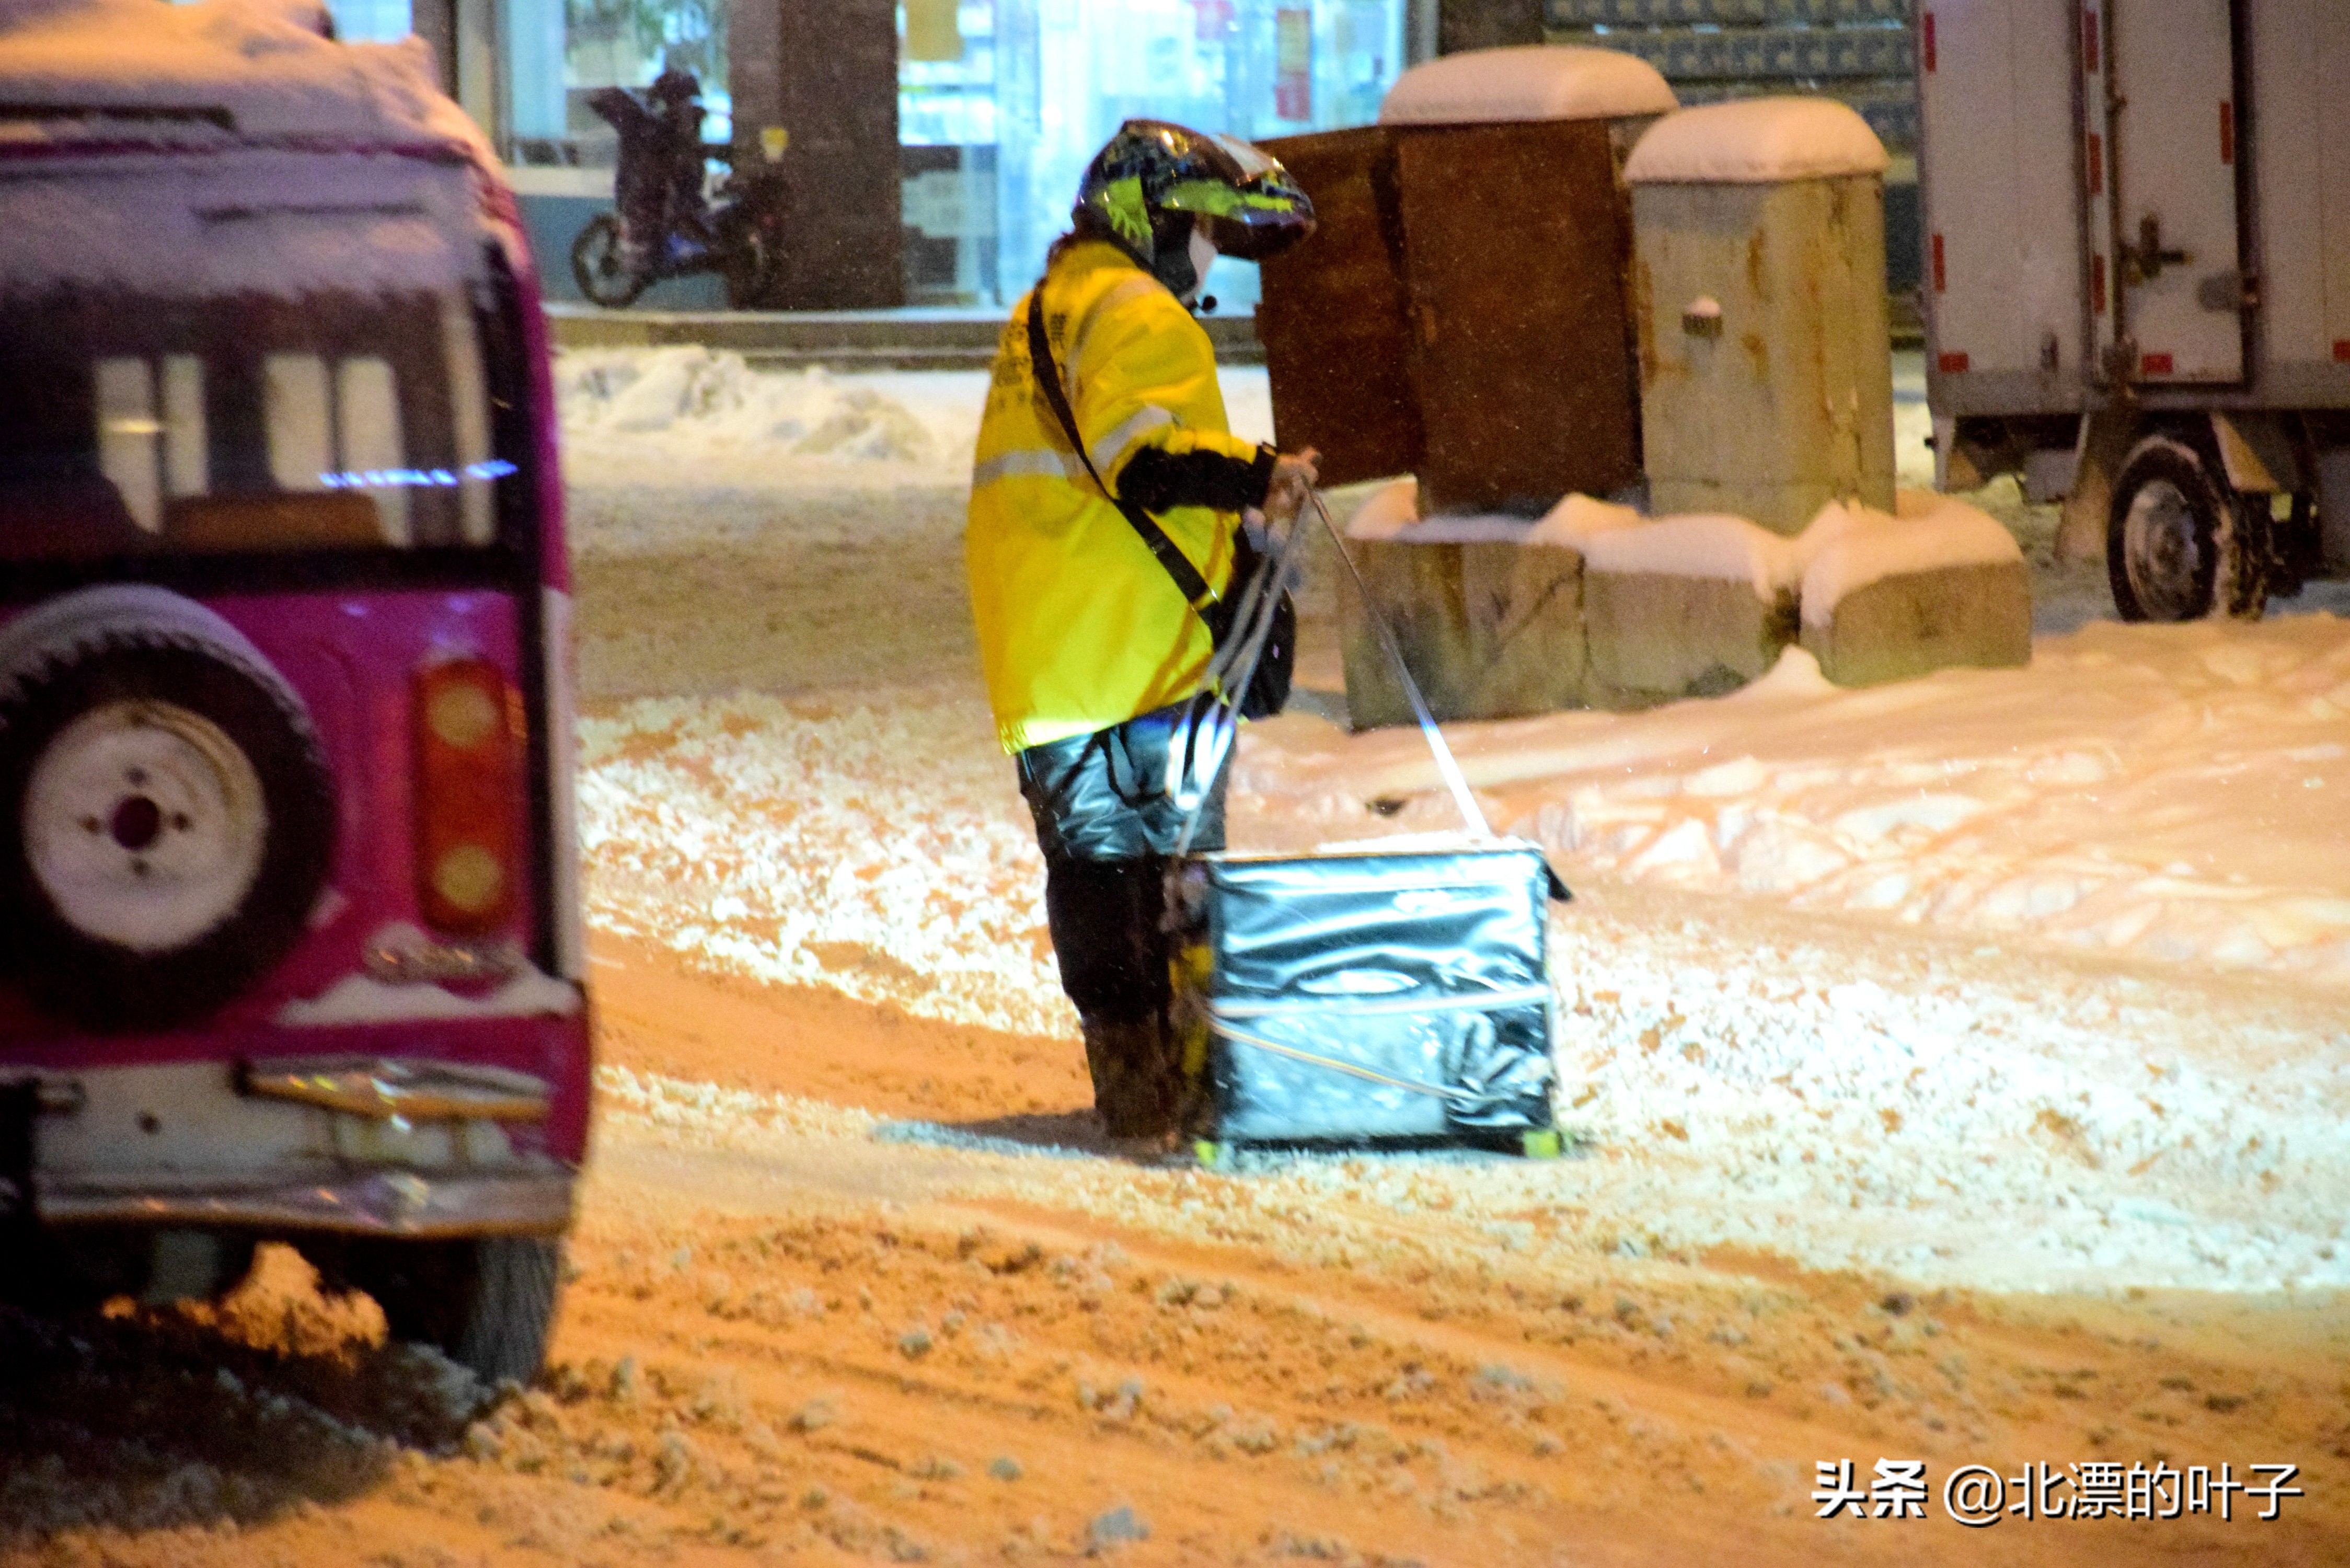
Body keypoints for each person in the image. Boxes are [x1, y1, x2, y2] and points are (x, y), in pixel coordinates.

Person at [965, 120, 1319, 1146]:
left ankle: (1130, 1089)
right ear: (1154, 221)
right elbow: (1145, 465)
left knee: (1092, 881)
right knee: (1176, 889)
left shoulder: (1044, 313)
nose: (1207, 262)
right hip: (1154, 653)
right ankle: (1193, 1091)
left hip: (1049, 660)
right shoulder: (1135, 310)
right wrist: (1260, 474)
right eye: (1202, 237)